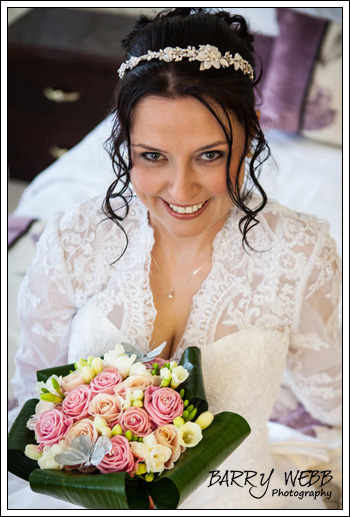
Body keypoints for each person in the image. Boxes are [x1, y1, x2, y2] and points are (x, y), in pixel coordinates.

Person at [9, 8, 341, 510]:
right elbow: (28, 409)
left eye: (210, 154)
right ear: (125, 145)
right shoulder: (73, 239)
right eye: (152, 156)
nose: (181, 190)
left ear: (249, 139)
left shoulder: (302, 253)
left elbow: (337, 411)